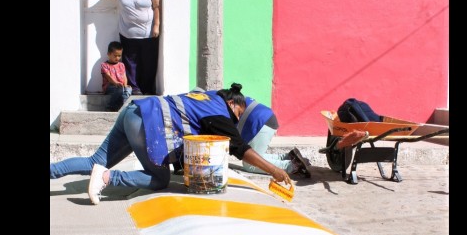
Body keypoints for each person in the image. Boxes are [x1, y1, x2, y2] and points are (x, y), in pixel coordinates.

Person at [49, 83, 292, 204]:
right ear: (232, 104)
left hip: (134, 110)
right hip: (146, 124)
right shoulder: (220, 114)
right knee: (159, 179)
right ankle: (107, 178)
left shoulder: (205, 96)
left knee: (93, 160)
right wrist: (274, 170)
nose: (235, 121)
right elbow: (241, 149)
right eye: (238, 114)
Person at [72, 0, 161, 95]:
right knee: (130, 64)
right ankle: (134, 89)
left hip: (148, 34)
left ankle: (148, 90)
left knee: (148, 63)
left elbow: (156, 6)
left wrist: (156, 25)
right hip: (128, 33)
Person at [232, 96, 312, 178]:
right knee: (255, 155)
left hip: (261, 123)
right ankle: (287, 157)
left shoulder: (227, 107)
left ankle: (293, 166)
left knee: (250, 164)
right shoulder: (233, 97)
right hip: (266, 119)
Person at [101, 41, 137, 112]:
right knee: (119, 89)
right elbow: (108, 77)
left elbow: (124, 76)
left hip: (121, 86)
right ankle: (110, 106)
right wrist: (116, 83)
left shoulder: (121, 65)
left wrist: (125, 85)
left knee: (129, 89)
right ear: (109, 54)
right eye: (115, 56)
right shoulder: (104, 65)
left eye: (119, 56)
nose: (117, 58)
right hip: (110, 86)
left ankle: (123, 105)